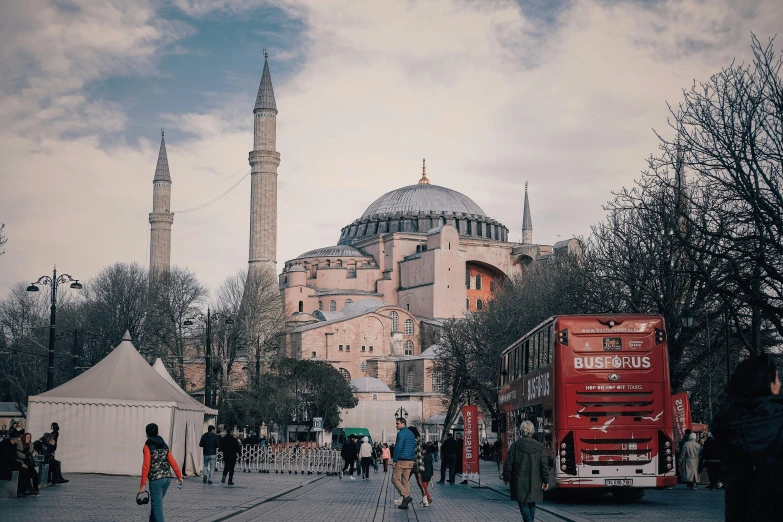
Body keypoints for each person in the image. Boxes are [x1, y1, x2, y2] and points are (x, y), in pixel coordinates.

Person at [711, 354, 783, 521]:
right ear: (769, 385)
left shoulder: (728, 427)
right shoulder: (777, 421)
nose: (779, 384)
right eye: (777, 379)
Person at [503, 420, 549, 522]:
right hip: (535, 479)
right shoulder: (539, 446)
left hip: (519, 479)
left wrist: (506, 477)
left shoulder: (515, 445)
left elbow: (508, 464)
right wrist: (545, 480)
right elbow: (544, 465)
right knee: (532, 502)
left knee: (522, 503)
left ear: (521, 431)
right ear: (532, 431)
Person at [139, 423, 183, 522]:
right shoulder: (165, 445)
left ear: (146, 434)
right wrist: (179, 476)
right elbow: (172, 462)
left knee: (157, 507)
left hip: (156, 480)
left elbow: (146, 466)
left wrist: (142, 485)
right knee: (156, 505)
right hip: (167, 479)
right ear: (158, 432)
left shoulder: (147, 446)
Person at [392, 417, 416, 509]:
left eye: (397, 423)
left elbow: (398, 447)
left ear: (403, 423)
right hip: (410, 460)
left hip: (402, 460)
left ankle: (406, 496)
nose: (396, 425)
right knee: (405, 481)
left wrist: (394, 460)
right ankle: (405, 504)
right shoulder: (411, 433)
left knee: (394, 479)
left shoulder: (401, 434)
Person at [1, 430, 29, 496]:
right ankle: (23, 490)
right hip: (4, 467)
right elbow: (9, 460)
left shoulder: (8, 444)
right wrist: (21, 464)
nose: (18, 440)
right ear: (15, 438)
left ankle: (25, 489)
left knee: (25, 469)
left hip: (7, 465)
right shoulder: (6, 445)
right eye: (18, 438)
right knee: (22, 470)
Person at [420, 442, 434, 506]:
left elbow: (421, 466)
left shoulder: (423, 457)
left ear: (424, 450)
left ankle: (428, 498)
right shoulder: (430, 457)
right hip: (429, 474)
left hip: (424, 473)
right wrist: (432, 474)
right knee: (425, 486)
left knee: (424, 488)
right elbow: (431, 466)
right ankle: (424, 499)